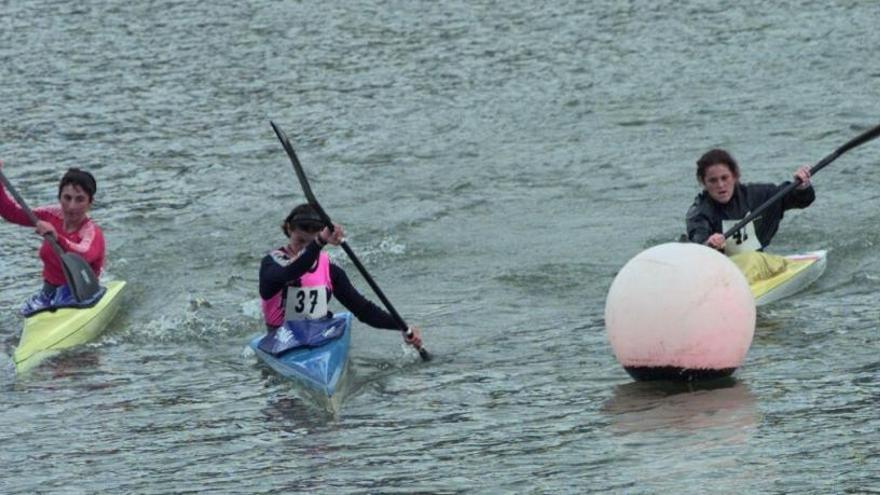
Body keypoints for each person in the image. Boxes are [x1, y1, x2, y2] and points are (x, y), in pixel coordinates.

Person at [259, 203, 422, 348]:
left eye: (310, 243)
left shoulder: (329, 270)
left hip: (318, 336)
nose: (304, 248)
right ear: (289, 229)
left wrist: (402, 326)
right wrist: (318, 242)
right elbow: (291, 271)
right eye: (300, 241)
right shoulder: (272, 264)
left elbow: (363, 310)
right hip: (281, 342)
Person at [0, 160, 105, 299]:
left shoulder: (92, 232)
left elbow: (83, 254)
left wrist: (57, 238)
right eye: (67, 198)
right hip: (49, 290)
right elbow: (11, 213)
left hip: (83, 292)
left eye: (80, 199)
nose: (72, 206)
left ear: (90, 203)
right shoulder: (50, 215)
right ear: (59, 197)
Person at [686, 149, 814, 253]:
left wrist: (801, 186)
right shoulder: (699, 213)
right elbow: (698, 238)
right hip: (721, 268)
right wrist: (708, 242)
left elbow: (800, 199)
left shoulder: (755, 195)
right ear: (703, 182)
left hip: (754, 263)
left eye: (725, 178)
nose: (720, 185)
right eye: (713, 180)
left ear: (735, 176)